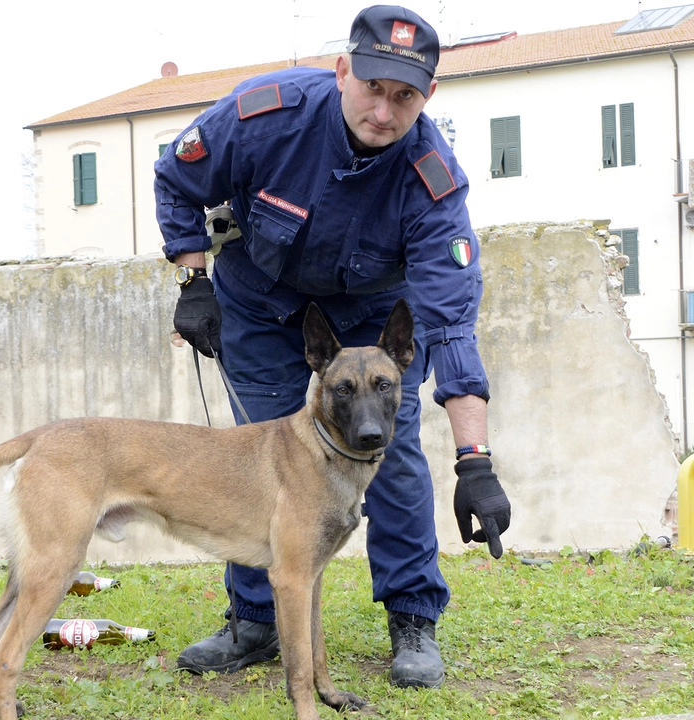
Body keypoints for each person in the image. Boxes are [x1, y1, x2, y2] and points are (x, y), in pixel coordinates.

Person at [153, 4, 511, 689]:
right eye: (372, 87)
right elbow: (178, 178)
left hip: (371, 321)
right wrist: (192, 278)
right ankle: (255, 621)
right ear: (342, 69)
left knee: (394, 455)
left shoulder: (433, 183)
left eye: (404, 96)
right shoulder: (267, 116)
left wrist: (476, 461)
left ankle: (412, 617)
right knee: (258, 457)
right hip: (257, 305)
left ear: (427, 96)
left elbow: (451, 323)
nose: (383, 111)